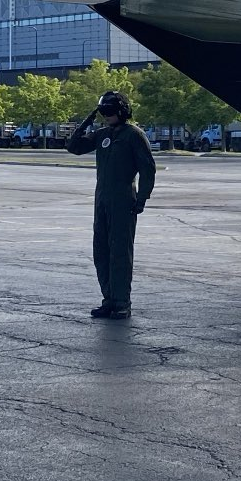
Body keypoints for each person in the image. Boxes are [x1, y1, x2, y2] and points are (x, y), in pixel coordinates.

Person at [65, 89, 156, 319]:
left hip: (123, 200)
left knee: (120, 253)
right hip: (102, 200)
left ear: (121, 111)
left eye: (109, 112)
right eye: (103, 113)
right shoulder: (102, 134)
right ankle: (108, 299)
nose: (106, 117)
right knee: (101, 251)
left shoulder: (134, 135)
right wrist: (88, 120)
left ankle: (122, 302)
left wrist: (142, 198)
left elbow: (148, 168)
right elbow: (73, 147)